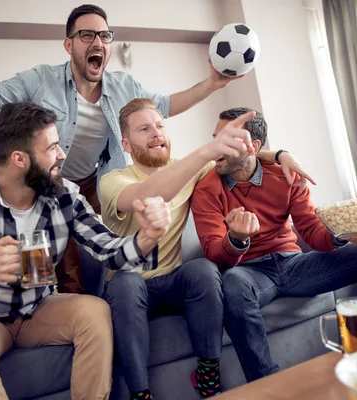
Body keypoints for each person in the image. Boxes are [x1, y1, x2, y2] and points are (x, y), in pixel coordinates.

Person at [0, 4, 238, 293]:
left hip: (96, 179)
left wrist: (212, 83)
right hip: (50, 182)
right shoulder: (40, 81)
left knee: (126, 236)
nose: (98, 42)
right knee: (64, 266)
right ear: (69, 44)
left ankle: (135, 293)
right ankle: (51, 311)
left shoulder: (123, 85)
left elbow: (166, 106)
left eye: (104, 35)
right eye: (86, 35)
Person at [0, 102, 171, 400]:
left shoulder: (63, 197)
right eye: (52, 148)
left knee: (95, 311)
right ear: (19, 159)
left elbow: (109, 249)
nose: (62, 155)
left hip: (38, 308)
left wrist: (148, 236)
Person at [98, 98, 312, 399]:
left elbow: (237, 157)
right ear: (126, 144)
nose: (156, 133)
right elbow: (150, 192)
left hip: (171, 282)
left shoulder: (189, 171)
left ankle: (208, 374)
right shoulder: (112, 181)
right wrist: (206, 152)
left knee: (203, 269)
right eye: (144, 129)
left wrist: (280, 153)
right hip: (129, 288)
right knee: (126, 281)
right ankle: (140, 392)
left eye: (160, 126)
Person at [190, 107, 357, 383]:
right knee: (233, 282)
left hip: (295, 265)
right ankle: (269, 384)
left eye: (227, 139)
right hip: (250, 273)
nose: (216, 146)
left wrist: (341, 235)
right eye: (215, 138)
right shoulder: (206, 189)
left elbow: (311, 230)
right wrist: (237, 239)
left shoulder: (284, 174)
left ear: (253, 146)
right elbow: (214, 252)